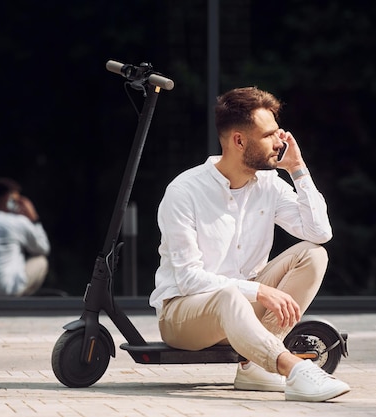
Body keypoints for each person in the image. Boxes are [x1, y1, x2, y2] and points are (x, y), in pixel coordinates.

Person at [149, 87, 350, 402]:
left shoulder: (268, 184)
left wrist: (298, 169)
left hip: (242, 305)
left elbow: (319, 232)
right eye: (269, 135)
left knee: (313, 255)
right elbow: (189, 279)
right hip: (184, 316)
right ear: (239, 141)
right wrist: (258, 291)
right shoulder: (185, 191)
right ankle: (294, 369)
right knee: (231, 294)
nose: (279, 142)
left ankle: (256, 366)